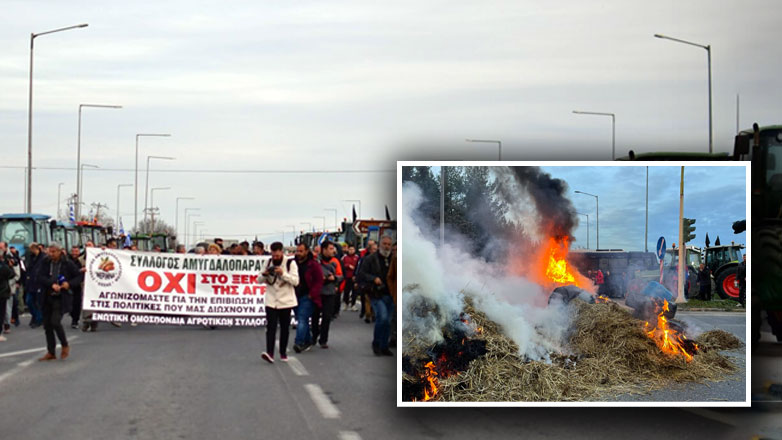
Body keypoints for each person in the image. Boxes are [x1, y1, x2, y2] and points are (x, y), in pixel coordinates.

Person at [39, 243, 79, 361]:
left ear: (60, 251)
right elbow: (40, 277)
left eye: (54, 252)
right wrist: (51, 284)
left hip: (61, 297)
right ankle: (51, 352)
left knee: (55, 322)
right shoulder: (46, 262)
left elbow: (78, 276)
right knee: (47, 325)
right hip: (47, 295)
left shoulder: (68, 263)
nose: (51, 254)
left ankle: (65, 344)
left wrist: (68, 284)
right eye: (49, 252)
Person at [260, 242, 299, 363]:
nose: (275, 258)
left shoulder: (290, 263)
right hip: (271, 300)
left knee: (284, 328)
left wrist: (283, 274)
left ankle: (283, 352)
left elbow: (296, 281)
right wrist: (265, 274)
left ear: (282, 252)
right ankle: (269, 353)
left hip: (286, 301)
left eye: (277, 255)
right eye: (273, 255)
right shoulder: (267, 262)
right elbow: (258, 280)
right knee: (270, 327)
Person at [359, 235, 394, 356]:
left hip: (391, 294)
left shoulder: (393, 259)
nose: (386, 246)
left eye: (389, 244)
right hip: (376, 294)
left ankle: (384, 346)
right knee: (382, 317)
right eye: (384, 244)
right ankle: (376, 343)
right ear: (379, 245)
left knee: (388, 322)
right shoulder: (370, 259)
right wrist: (374, 279)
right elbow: (361, 274)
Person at [292, 243, 323, 353]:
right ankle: (308, 340)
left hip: (308, 296)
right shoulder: (292, 264)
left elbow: (319, 281)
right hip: (295, 295)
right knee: (300, 318)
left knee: (302, 319)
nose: (298, 253)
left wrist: (312, 294)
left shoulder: (313, 265)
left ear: (306, 251)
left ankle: (299, 342)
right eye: (297, 251)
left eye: (301, 251)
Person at [311, 241, 342, 348]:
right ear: (323, 250)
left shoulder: (335, 261)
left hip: (330, 293)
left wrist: (335, 278)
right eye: (330, 248)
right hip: (318, 293)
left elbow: (341, 275)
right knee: (314, 316)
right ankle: (314, 335)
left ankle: (323, 340)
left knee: (327, 316)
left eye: (333, 248)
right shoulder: (316, 261)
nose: (332, 251)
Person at [23, 242, 45, 328]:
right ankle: (35, 316)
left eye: (31, 249)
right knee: (29, 301)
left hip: (39, 283)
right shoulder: (31, 257)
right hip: (30, 283)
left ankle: (38, 320)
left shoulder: (43, 258)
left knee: (38, 303)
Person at [67, 246, 85, 329]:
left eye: (76, 251)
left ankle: (75, 320)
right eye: (73, 251)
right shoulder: (67, 260)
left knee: (77, 304)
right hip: (68, 284)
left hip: (78, 285)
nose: (74, 253)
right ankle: (72, 315)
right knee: (70, 304)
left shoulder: (81, 260)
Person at [0, 251, 16, 342]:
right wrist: (11, 266)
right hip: (2, 292)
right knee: (1, 313)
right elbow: (11, 275)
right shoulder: (4, 267)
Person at [341, 245, 359, 311]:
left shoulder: (357, 257)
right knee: (346, 291)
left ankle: (353, 305)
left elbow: (359, 266)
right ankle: (346, 303)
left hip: (354, 277)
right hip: (347, 277)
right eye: (350, 249)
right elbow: (341, 265)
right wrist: (348, 266)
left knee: (354, 291)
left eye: (352, 249)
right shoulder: (345, 257)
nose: (351, 251)